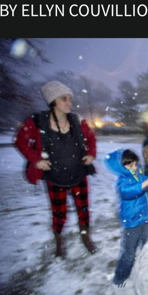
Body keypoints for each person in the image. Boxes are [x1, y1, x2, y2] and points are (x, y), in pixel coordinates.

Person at [15, 81, 97, 258]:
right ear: (53, 101)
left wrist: (90, 155)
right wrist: (36, 161)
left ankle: (85, 237)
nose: (69, 102)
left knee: (83, 209)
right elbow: (21, 142)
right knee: (59, 213)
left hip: (78, 174)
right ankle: (59, 241)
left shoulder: (77, 120)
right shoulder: (37, 121)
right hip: (55, 177)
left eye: (70, 99)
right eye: (64, 99)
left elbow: (91, 140)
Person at [104, 148, 148, 287]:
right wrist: (145, 184)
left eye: (135, 164)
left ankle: (147, 272)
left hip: (145, 219)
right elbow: (128, 192)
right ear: (121, 168)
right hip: (132, 223)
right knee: (129, 254)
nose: (135, 168)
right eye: (130, 166)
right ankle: (119, 279)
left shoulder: (139, 176)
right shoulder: (122, 182)